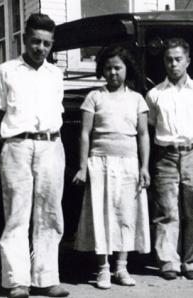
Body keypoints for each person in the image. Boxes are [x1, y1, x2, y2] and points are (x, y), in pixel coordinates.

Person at [0, 13, 69, 298]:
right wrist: (12, 138)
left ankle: (47, 279)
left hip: (51, 145)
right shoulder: (5, 71)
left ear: (51, 45)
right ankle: (16, 281)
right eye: (35, 41)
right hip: (17, 146)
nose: (40, 48)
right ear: (25, 40)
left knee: (50, 214)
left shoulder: (56, 74)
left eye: (46, 43)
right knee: (17, 214)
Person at [72, 46, 151, 289]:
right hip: (100, 164)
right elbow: (85, 134)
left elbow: (143, 135)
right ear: (101, 70)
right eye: (108, 68)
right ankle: (103, 269)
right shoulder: (95, 97)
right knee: (102, 214)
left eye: (118, 67)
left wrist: (144, 167)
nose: (113, 72)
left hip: (129, 164)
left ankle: (121, 267)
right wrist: (83, 167)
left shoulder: (137, 99)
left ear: (127, 69)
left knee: (126, 214)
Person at [145, 38, 193, 281]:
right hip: (165, 156)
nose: (173, 64)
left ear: (187, 61)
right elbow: (151, 127)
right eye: (169, 59)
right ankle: (168, 261)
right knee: (166, 211)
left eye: (178, 59)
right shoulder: (154, 95)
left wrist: (192, 146)